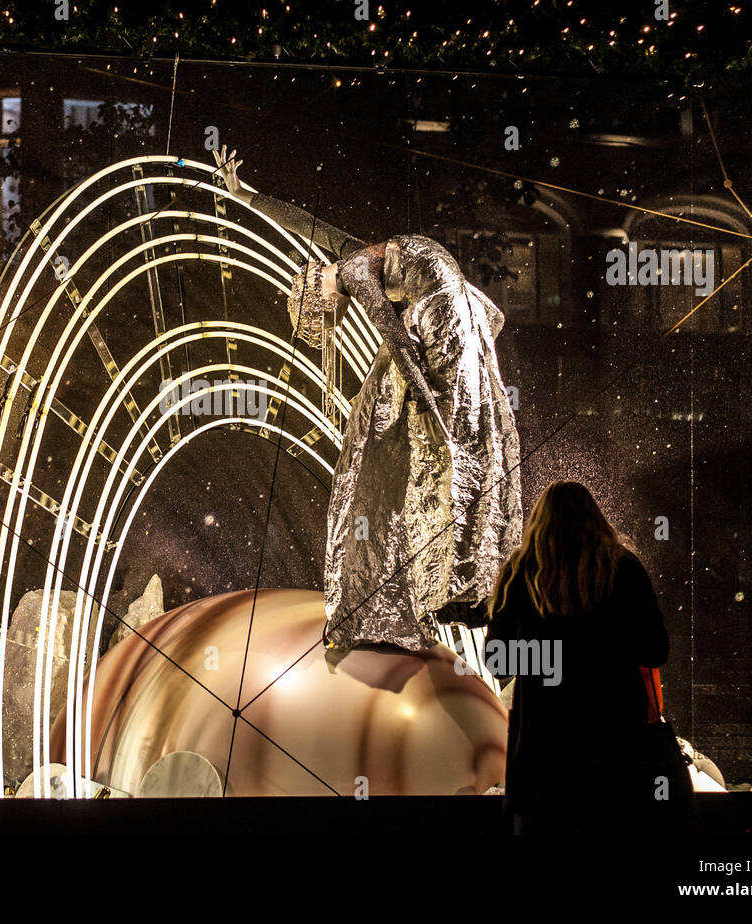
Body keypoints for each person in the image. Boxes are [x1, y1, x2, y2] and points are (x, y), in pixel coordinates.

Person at [212, 146, 522, 653]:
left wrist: (429, 407)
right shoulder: (358, 255)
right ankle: (456, 580)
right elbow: (304, 222)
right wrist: (246, 195)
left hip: (442, 316)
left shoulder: (354, 271)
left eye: (328, 313)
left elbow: (396, 341)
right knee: (446, 431)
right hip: (456, 307)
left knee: (381, 442)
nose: (339, 315)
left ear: (322, 294)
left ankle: (415, 587)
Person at [484, 480, 674, 834]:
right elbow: (655, 649)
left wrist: (552, 658)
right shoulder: (623, 569)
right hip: (617, 753)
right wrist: (605, 652)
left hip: (544, 757)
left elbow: (499, 660)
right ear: (595, 517)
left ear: (539, 521)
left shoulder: (520, 573)